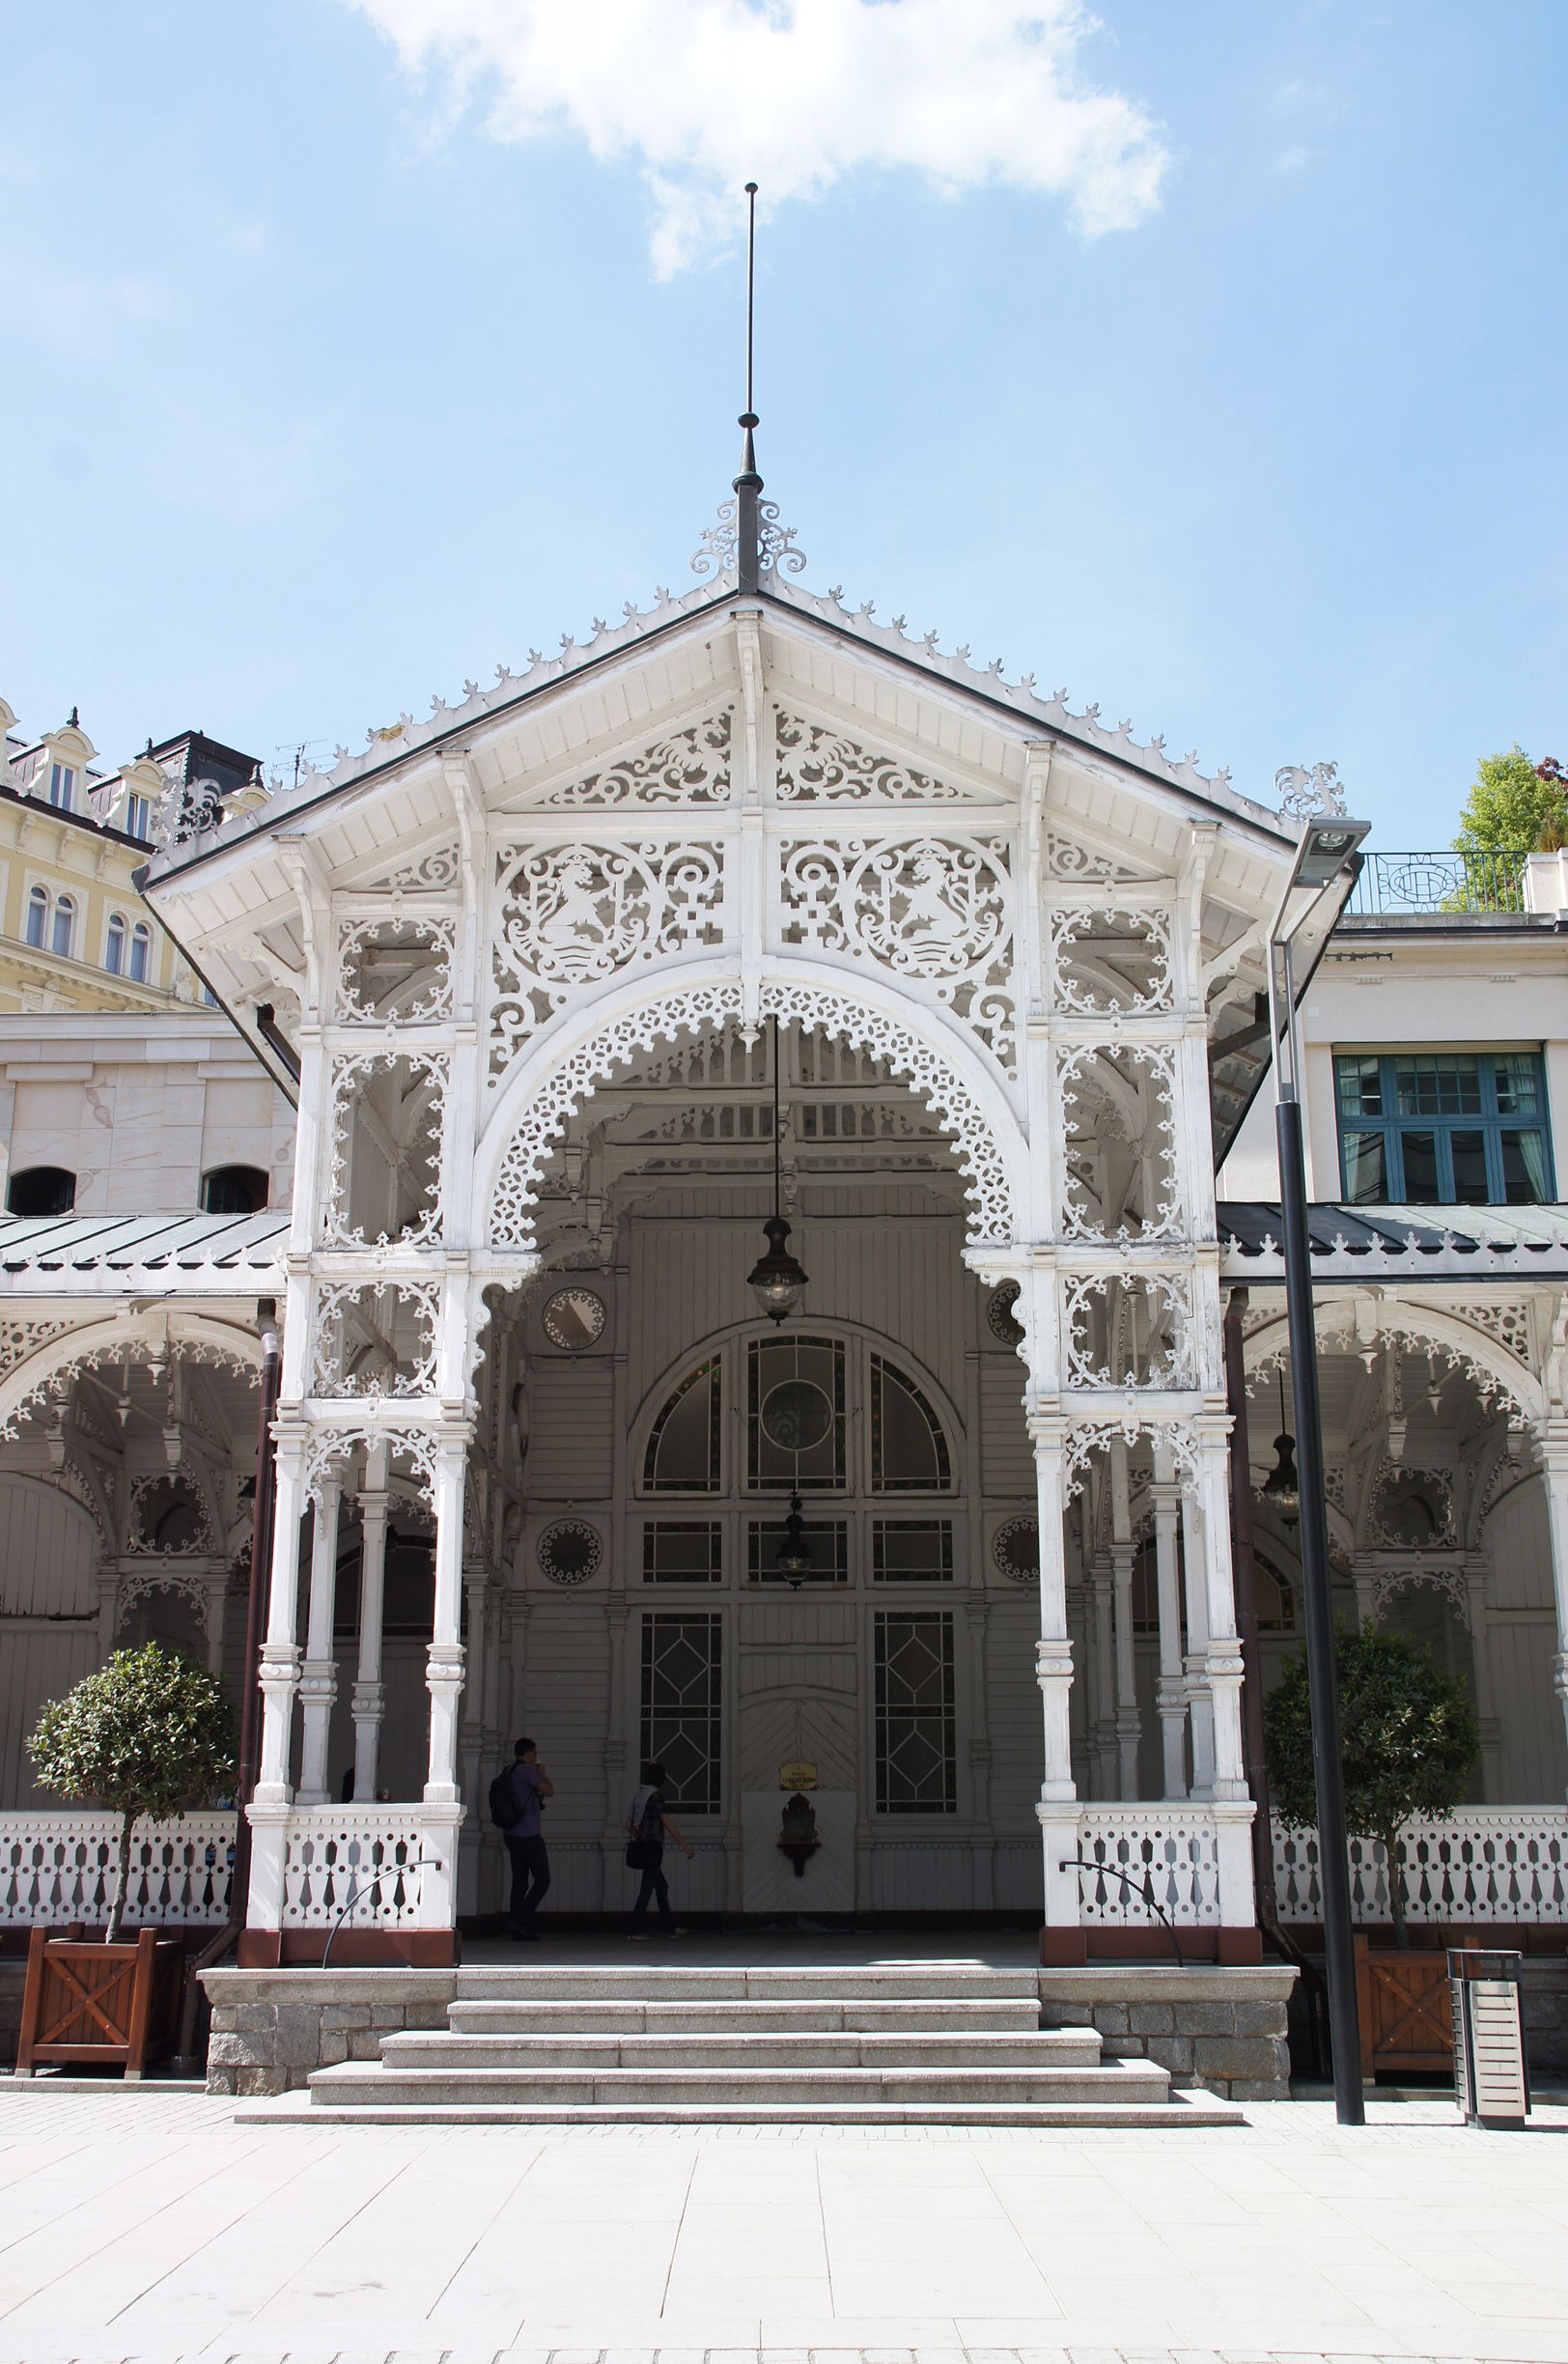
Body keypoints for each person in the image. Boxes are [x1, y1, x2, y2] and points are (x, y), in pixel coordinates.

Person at [625, 1759, 692, 1939]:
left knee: (661, 1886)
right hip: (654, 1848)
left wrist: (640, 1836)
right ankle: (635, 1930)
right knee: (647, 1889)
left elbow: (628, 1824)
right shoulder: (656, 1796)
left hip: (643, 1846)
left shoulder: (639, 1795)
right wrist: (685, 1845)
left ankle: (670, 1928)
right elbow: (667, 1823)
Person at [504, 1736, 554, 1940]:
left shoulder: (509, 1770)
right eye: (534, 1753)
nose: (535, 1757)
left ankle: (517, 1925)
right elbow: (549, 1791)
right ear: (528, 1753)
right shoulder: (528, 1771)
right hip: (529, 1835)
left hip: (511, 1833)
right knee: (543, 1879)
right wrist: (542, 1774)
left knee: (519, 1882)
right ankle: (520, 1920)